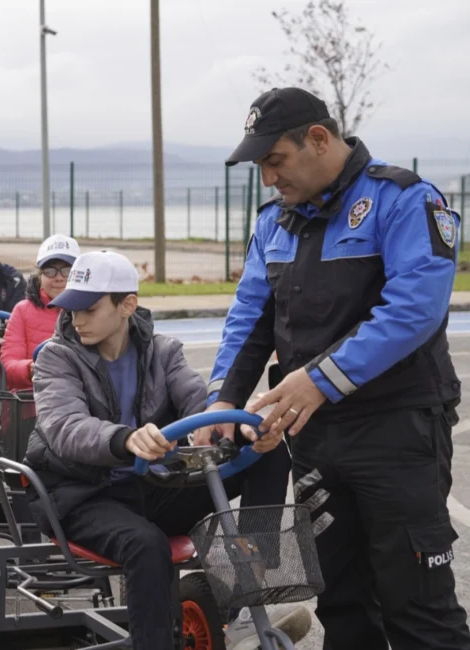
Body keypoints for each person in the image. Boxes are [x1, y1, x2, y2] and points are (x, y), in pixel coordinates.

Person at [206, 86, 470, 649]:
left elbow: (414, 309)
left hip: (398, 430)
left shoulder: (403, 200)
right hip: (317, 439)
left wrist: (319, 379)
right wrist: (222, 398)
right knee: (342, 603)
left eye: (274, 161)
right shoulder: (273, 221)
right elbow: (250, 315)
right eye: (260, 167)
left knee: (418, 607)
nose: (268, 179)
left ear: (319, 139)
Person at [23, 250, 311, 650]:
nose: (77, 319)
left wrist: (244, 431)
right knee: (146, 544)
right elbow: (65, 427)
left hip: (151, 484)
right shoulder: (57, 357)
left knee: (269, 452)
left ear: (127, 305)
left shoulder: (164, 351)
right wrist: (125, 438)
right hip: (83, 494)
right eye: (71, 309)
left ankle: (250, 592)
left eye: (88, 308)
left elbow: (201, 406)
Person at [0, 235, 80, 391]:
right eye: (50, 271)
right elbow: (8, 366)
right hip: (32, 401)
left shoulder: (90, 309)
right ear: (40, 275)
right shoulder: (22, 310)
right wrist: (30, 368)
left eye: (67, 270)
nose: (58, 277)